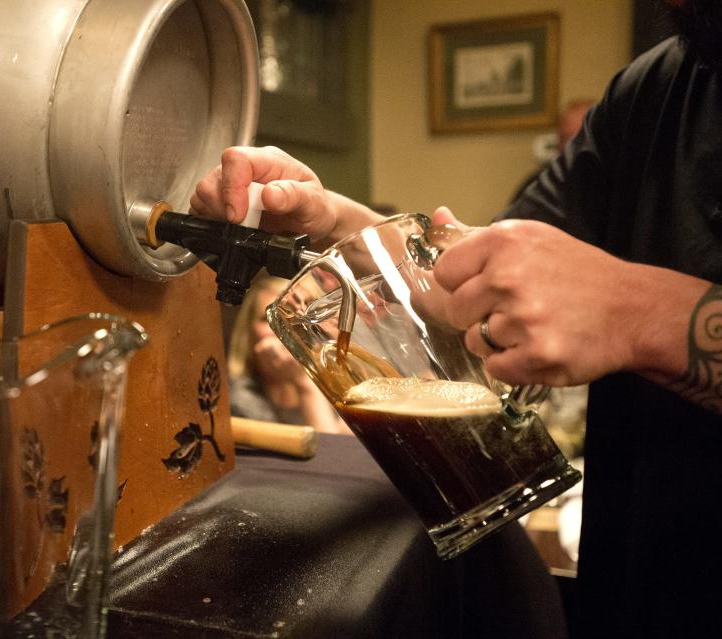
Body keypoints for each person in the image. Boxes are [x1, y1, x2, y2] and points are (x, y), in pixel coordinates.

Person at [189, 2, 722, 636]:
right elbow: (471, 295)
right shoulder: (658, 88)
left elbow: (606, 301)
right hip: (632, 590)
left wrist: (635, 311)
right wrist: (338, 230)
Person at [227, 273, 350, 434]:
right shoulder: (239, 396)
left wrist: (304, 381)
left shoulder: (342, 382)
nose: (282, 329)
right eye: (268, 319)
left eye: (294, 316)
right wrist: (304, 384)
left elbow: (344, 450)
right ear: (249, 332)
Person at [509, 98, 595, 203]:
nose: (569, 147)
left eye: (579, 138)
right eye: (564, 138)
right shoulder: (540, 183)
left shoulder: (615, 184)